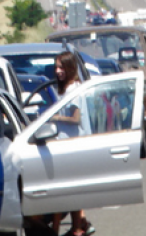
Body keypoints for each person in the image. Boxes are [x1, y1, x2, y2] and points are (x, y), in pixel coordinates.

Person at [51, 52, 94, 236]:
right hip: (66, 146)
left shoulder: (73, 90)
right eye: (56, 67)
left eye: (61, 67)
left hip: (73, 146)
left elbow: (76, 118)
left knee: (68, 191)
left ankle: (76, 228)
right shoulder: (66, 89)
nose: (58, 71)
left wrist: (56, 117)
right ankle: (80, 224)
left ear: (70, 68)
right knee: (68, 190)